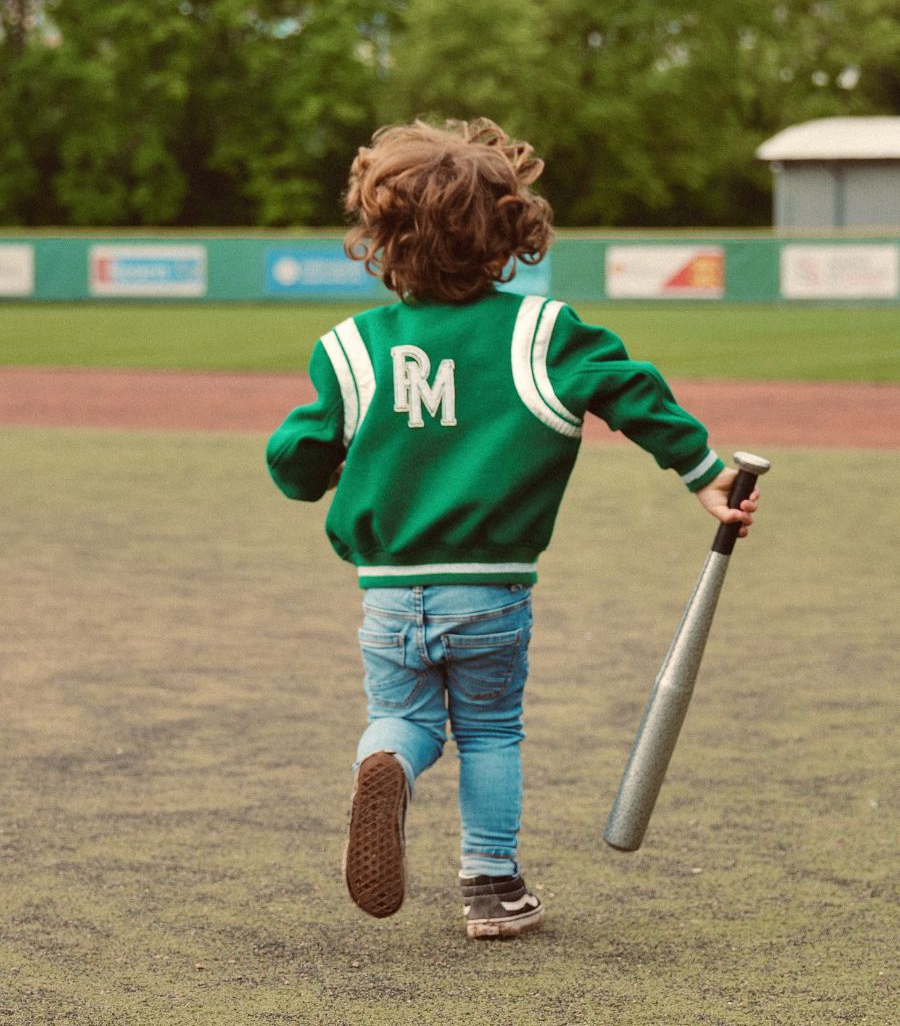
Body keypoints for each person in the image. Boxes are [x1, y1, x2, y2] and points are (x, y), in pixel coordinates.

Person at [265, 117, 759, 939]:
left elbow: (295, 463)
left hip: (390, 595)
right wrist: (705, 474)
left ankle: (383, 763)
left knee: (407, 721)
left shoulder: (350, 347)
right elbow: (629, 387)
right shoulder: (541, 332)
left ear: (382, 237)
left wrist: (321, 464)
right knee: (491, 732)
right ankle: (491, 889)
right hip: (491, 592)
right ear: (508, 233)